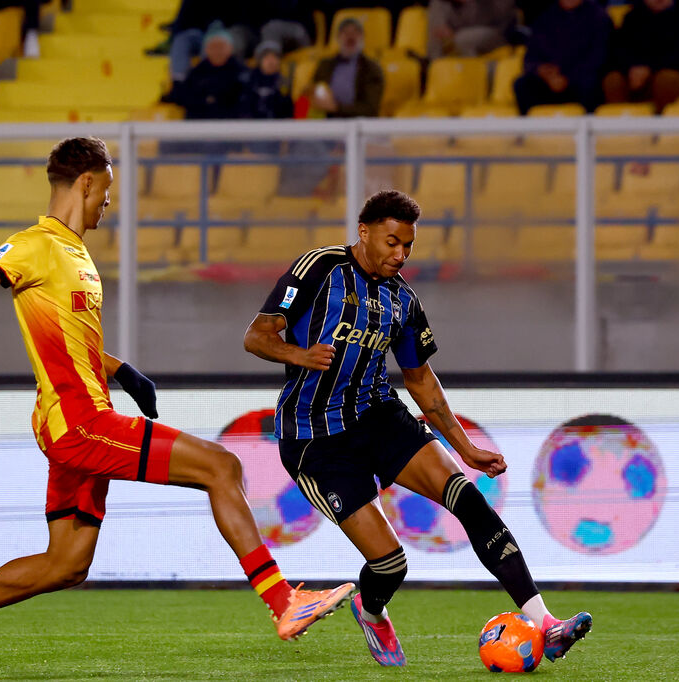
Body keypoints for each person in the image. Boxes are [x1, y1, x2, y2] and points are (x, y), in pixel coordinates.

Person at [0, 137, 355, 682]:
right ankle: (282, 600)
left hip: (78, 421)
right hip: (79, 423)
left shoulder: (76, 255)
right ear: (87, 182)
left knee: (67, 563)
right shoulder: (35, 245)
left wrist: (123, 372)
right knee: (223, 466)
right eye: (106, 189)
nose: (109, 202)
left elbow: (75, 344)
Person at [243, 190, 592, 667]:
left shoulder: (402, 298)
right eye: (391, 242)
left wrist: (466, 448)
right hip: (315, 441)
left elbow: (420, 380)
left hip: (379, 417)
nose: (400, 254)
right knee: (390, 564)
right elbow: (257, 336)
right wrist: (298, 354)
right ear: (363, 232)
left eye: (407, 245)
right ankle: (372, 608)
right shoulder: (319, 268)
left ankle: (547, 625)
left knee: (468, 499)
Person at [512, 0, 612, 115]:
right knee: (522, 85)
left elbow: (599, 57)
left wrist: (567, 78)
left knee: (592, 85)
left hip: (581, 81)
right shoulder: (545, 18)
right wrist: (541, 70)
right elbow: (530, 57)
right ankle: (528, 131)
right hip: (550, 81)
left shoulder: (599, 17)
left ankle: (588, 130)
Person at [602, 0, 679, 113]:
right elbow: (619, 51)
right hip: (634, 76)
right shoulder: (631, 19)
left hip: (665, 74)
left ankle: (666, 125)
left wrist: (649, 70)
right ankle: (619, 124)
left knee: (667, 80)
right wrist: (631, 69)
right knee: (613, 80)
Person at [311, 17, 384, 118]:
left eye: (355, 32)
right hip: (327, 122)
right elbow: (314, 93)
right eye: (345, 33)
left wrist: (337, 107)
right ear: (338, 38)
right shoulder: (325, 66)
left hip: (358, 124)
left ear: (362, 37)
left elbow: (370, 109)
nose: (350, 37)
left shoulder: (371, 69)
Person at [428, 0, 517, 59]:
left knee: (464, 39)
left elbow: (504, 16)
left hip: (497, 31)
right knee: (437, 3)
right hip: (458, 31)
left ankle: (470, 76)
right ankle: (432, 67)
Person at [239, 40, 293, 121]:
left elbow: (287, 110)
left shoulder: (284, 82)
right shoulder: (248, 81)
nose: (271, 62)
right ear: (260, 61)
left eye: (275, 57)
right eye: (267, 58)